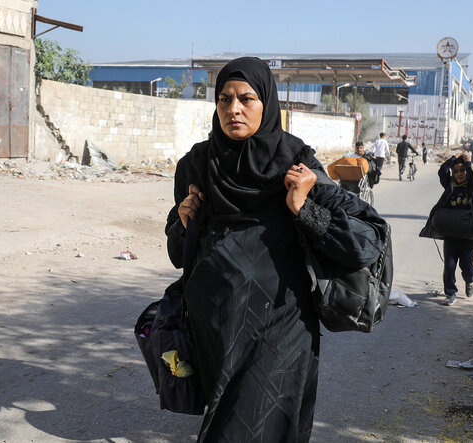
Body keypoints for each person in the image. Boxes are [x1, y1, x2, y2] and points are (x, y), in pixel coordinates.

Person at [165, 57, 389, 442]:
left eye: (246, 99)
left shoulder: (297, 163)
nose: (233, 109)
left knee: (256, 419)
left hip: (282, 319)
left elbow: (366, 241)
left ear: (267, 103)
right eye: (224, 99)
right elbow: (177, 253)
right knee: (227, 410)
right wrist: (182, 222)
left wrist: (305, 209)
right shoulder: (197, 164)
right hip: (216, 321)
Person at [419, 151, 473, 306]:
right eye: (455, 171)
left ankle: (471, 280)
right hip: (451, 235)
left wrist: (468, 163)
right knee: (449, 266)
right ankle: (450, 293)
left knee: (466, 266)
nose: (459, 174)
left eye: (462, 171)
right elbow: (442, 171)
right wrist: (453, 158)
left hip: (469, 237)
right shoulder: (450, 186)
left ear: (466, 172)